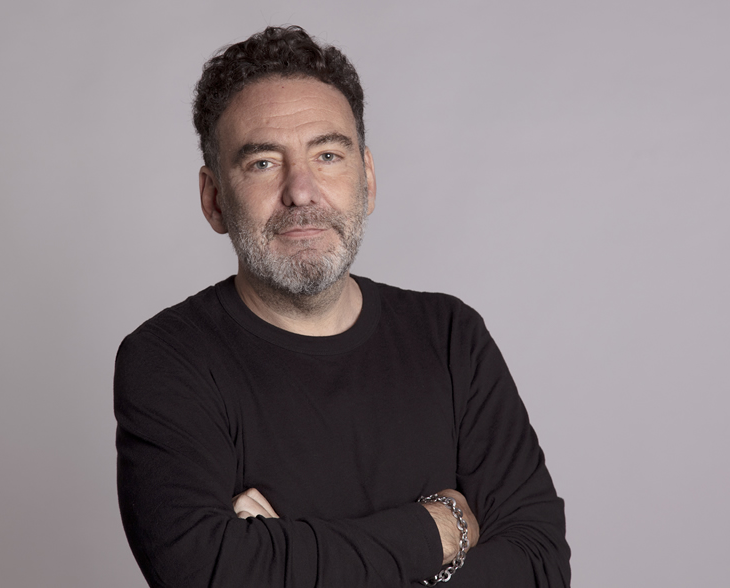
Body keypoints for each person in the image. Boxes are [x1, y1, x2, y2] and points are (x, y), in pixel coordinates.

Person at [114, 25, 571, 587]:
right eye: (263, 163)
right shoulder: (167, 360)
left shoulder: (451, 336)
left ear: (367, 179)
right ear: (214, 200)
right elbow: (208, 572)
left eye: (327, 155)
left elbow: (540, 567)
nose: (301, 191)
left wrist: (280, 557)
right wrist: (439, 531)